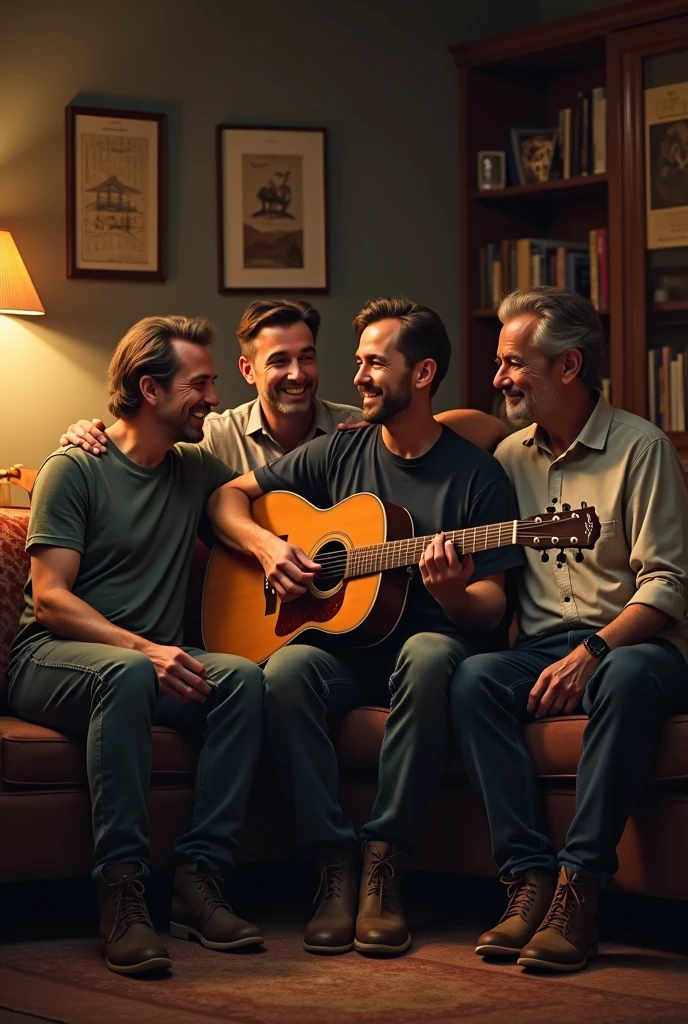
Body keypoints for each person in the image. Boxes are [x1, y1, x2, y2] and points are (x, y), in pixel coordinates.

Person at [216, 297, 525, 957]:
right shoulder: (342, 451)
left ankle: (385, 864)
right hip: (349, 652)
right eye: (359, 362)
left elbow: (492, 606)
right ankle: (331, 865)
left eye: (374, 364)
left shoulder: (478, 479)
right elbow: (227, 497)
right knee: (288, 670)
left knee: (428, 651)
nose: (356, 378)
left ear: (421, 375)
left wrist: (452, 593)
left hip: (429, 646)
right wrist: (269, 549)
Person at [8, 316, 266, 976]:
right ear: (150, 390)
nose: (212, 398)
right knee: (122, 673)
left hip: (144, 665)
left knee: (241, 679)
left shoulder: (196, 469)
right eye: (200, 384)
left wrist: (358, 441)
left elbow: (274, 487)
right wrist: (145, 649)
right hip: (50, 659)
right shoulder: (76, 467)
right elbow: (52, 599)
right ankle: (121, 890)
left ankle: (197, 881)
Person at [450, 287, 688, 973]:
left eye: (514, 363)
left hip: (639, 643)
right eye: (499, 363)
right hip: (542, 649)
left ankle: (580, 887)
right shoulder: (507, 458)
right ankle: (526, 878)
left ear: (569, 367)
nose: (499, 379)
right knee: (472, 680)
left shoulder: (641, 449)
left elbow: (667, 587)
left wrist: (593, 649)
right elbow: (444, 430)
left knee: (628, 672)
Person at [58, 298, 506, 469]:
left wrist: (408, 432)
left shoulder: (359, 429)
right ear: (248, 371)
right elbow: (138, 458)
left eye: (306, 357)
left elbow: (479, 430)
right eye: (279, 361)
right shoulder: (212, 440)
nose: (297, 374)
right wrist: (90, 435)